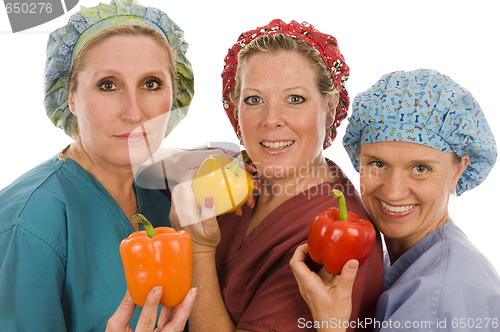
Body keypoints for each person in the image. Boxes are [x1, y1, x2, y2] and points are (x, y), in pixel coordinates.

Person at [170, 19, 384, 332]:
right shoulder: (231, 174)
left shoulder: (338, 243)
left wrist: (198, 249)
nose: (272, 120)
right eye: (254, 100)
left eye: (295, 99)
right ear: (234, 107)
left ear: (330, 104)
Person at [0, 0, 196, 330]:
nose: (134, 113)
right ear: (70, 97)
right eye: (108, 85)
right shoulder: (28, 223)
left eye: (151, 84)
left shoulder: (170, 198)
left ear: (175, 95)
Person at [291, 68, 500, 331]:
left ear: (458, 169)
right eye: (378, 163)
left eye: (420, 168)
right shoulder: (407, 260)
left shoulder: (439, 300)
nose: (393, 191)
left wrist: (330, 326)